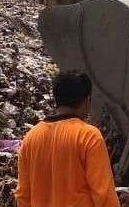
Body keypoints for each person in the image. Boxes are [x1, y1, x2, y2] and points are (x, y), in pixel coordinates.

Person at [14, 70, 120, 207]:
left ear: (56, 99)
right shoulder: (89, 136)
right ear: (87, 100)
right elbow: (104, 195)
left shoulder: (31, 137)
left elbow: (23, 196)